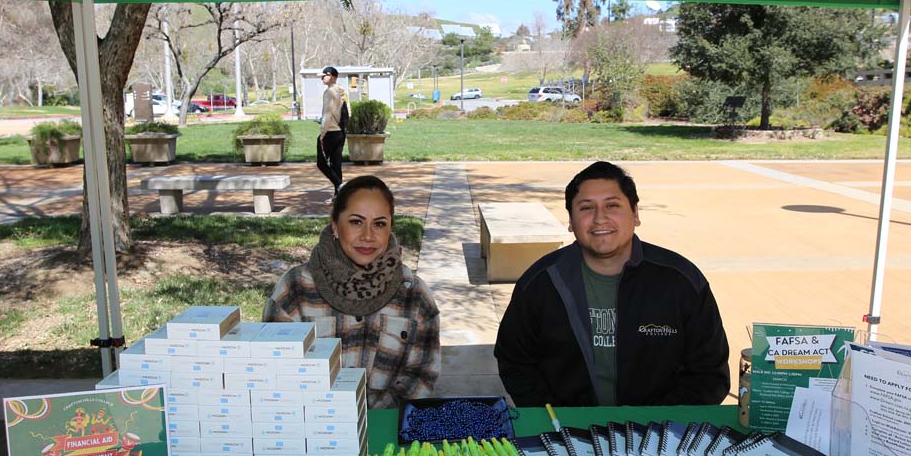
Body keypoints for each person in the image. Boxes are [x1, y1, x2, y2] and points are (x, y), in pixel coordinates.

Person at [495, 161, 729, 407]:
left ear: (635, 214)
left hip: (660, 426)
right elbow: (514, 361)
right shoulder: (541, 283)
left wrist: (657, 423)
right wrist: (552, 415)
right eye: (586, 208)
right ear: (571, 221)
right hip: (565, 426)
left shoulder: (682, 281)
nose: (600, 218)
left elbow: (710, 375)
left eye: (612, 205)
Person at [263, 175, 440, 409]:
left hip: (385, 424)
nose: (368, 236)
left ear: (390, 228)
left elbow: (421, 375)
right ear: (335, 226)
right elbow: (274, 372)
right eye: (356, 222)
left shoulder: (415, 296)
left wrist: (377, 420)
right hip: (312, 421)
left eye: (379, 224)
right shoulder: (294, 290)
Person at [316, 66, 347, 195]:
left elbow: (327, 113)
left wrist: (322, 133)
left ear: (333, 77)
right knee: (336, 164)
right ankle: (338, 196)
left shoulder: (329, 92)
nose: (323, 78)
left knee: (321, 163)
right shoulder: (341, 92)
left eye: (325, 75)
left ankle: (340, 185)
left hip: (330, 131)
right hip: (341, 131)